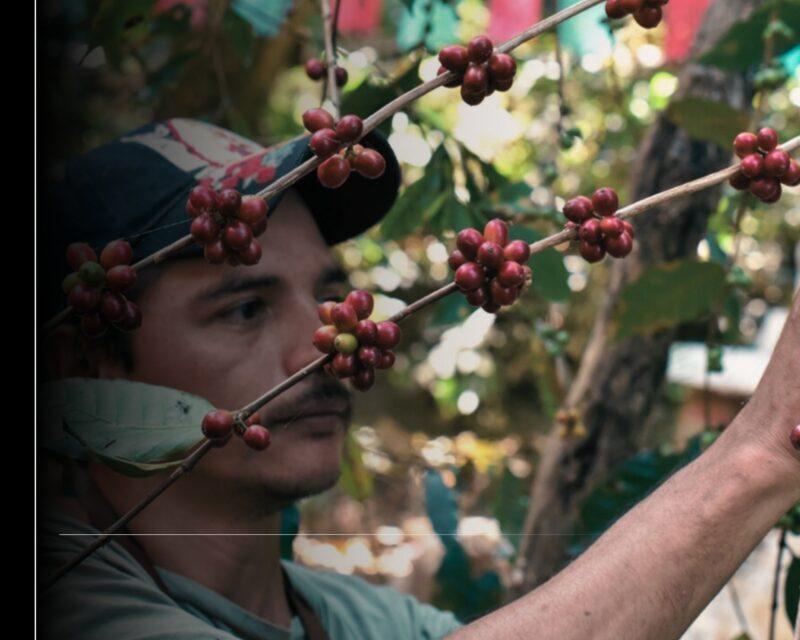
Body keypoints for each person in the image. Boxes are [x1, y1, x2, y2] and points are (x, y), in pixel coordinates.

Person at [38, 119, 800, 640]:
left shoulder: (362, 620)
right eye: (243, 309)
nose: (328, 345)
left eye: (329, 295)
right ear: (83, 366)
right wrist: (764, 450)